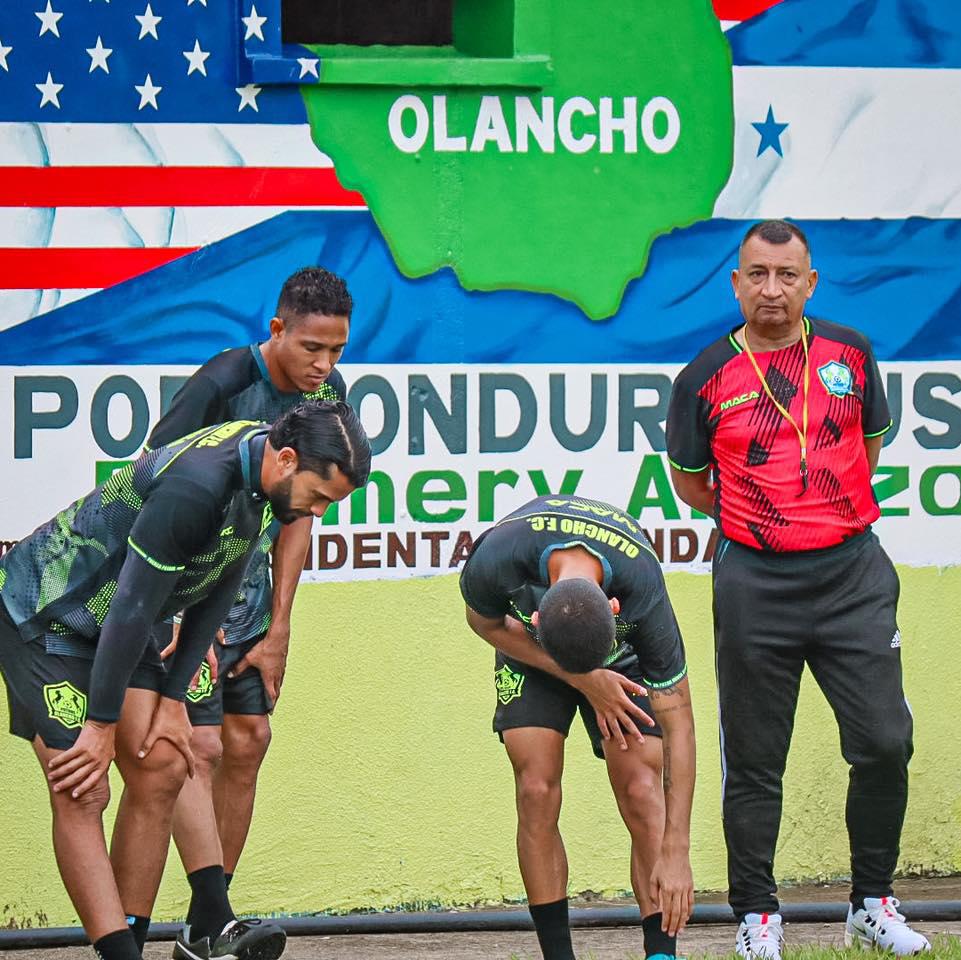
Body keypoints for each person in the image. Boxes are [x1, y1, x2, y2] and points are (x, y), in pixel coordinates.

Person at [0, 401, 370, 960]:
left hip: (125, 618)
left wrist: (173, 697)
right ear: (288, 459)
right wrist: (100, 727)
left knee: (165, 764)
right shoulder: (196, 488)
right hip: (49, 614)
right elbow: (126, 606)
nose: (316, 512)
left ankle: (138, 938)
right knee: (82, 784)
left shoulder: (267, 479)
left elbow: (221, 583)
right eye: (319, 496)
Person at [666, 219, 927, 958]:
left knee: (883, 742)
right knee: (755, 759)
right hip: (753, 582)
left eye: (786, 275)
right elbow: (691, 483)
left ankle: (870, 904)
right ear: (735, 282)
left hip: (851, 576)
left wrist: (820, 513)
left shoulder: (849, 353)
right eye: (756, 274)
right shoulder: (703, 375)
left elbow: (867, 447)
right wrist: (761, 518)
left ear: (810, 283)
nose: (771, 289)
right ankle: (758, 917)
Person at [143, 267, 353, 960]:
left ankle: (209, 928)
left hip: (251, 598)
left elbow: (300, 512)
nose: (324, 366)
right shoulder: (222, 382)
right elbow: (154, 487)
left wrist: (281, 627)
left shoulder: (330, 396)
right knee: (189, 750)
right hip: (184, 593)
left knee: (248, 741)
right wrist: (177, 618)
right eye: (311, 349)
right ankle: (194, 920)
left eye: (336, 351)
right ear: (276, 330)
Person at [460, 495, 696, 960]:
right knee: (536, 788)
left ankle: (661, 954)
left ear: (614, 607)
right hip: (534, 651)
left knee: (641, 786)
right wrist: (584, 680)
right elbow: (481, 620)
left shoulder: (642, 592)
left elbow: (680, 723)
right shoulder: (497, 558)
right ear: (538, 614)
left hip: (615, 655)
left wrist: (678, 849)